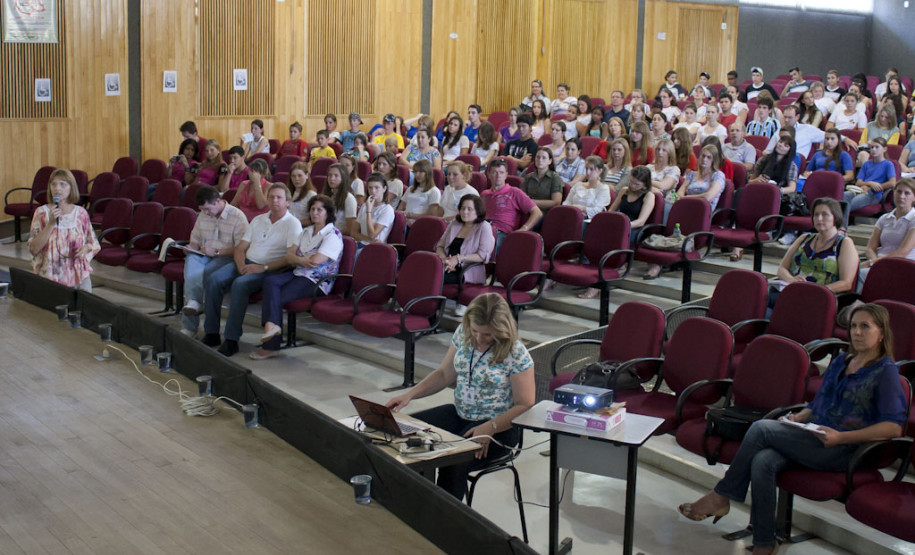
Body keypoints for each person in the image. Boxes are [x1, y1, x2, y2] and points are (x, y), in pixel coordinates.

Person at [678, 302, 906, 555]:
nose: (857, 332)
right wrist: (800, 416)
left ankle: (722, 495)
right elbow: (821, 402)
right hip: (816, 436)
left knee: (761, 429)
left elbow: (892, 428)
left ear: (881, 333)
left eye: (865, 326)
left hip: (844, 449)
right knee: (763, 460)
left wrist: (842, 437)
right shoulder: (843, 361)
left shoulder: (885, 372)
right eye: (853, 326)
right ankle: (765, 542)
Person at [386, 293, 535, 500]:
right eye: (475, 331)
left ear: (501, 329)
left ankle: (443, 514)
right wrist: (409, 395)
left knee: (454, 461)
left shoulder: (515, 352)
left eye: (487, 334)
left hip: (500, 428)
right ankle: (415, 501)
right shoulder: (463, 333)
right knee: (406, 434)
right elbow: (444, 374)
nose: (479, 339)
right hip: (460, 414)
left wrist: (490, 427)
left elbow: (525, 404)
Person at [202, 183, 302, 357]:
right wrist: (241, 265)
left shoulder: (293, 224)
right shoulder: (258, 220)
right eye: (271, 197)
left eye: (279, 197)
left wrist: (261, 267)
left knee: (240, 285)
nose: (274, 200)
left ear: (287, 202)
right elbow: (240, 248)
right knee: (214, 278)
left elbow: (289, 257)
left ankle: (231, 339)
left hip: (270, 268)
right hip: (246, 262)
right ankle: (211, 332)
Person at [252, 195, 345, 360]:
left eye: (319, 210)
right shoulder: (307, 231)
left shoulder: (333, 235)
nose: (314, 213)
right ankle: (271, 328)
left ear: (328, 213)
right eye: (312, 209)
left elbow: (316, 261)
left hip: (317, 281)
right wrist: (301, 260)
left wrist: (299, 259)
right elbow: (289, 255)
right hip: (298, 272)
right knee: (270, 281)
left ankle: (271, 344)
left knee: (276, 296)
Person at [180, 186, 249, 337]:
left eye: (207, 209)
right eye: (202, 209)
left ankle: (191, 321)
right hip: (204, 254)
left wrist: (217, 252)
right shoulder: (203, 215)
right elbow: (195, 240)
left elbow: (241, 249)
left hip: (225, 257)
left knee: (199, 274)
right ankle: (193, 305)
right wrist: (191, 247)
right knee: (191, 259)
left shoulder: (237, 216)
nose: (205, 213)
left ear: (218, 201)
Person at [767, 198, 857, 311]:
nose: (819, 218)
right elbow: (782, 268)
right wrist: (791, 280)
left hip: (819, 296)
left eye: (825, 214)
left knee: (770, 305)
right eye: (816, 215)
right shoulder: (804, 238)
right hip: (793, 290)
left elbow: (846, 283)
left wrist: (814, 290)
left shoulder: (844, 243)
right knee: (760, 298)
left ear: (836, 217)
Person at [28, 169, 100, 290]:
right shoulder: (41, 213)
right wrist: (51, 224)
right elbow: (33, 249)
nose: (58, 188)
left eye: (63, 184)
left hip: (78, 278)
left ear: (71, 187)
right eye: (54, 184)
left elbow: (93, 244)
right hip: (51, 279)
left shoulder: (81, 213)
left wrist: (86, 248)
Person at [859, 178, 915, 284]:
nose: (901, 196)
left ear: (914, 197)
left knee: (860, 275)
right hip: (879, 262)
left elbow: (902, 252)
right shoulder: (884, 218)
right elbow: (870, 248)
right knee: (850, 271)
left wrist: (874, 263)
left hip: (903, 265)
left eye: (907, 193)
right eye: (898, 192)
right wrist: (873, 262)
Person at [435, 195, 494, 294]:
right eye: (462, 208)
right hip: (446, 266)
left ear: (478, 211)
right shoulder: (455, 223)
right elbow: (440, 246)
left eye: (469, 209)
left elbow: (482, 256)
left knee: (431, 278)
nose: (465, 212)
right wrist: (445, 260)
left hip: (466, 271)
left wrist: (458, 258)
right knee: (422, 272)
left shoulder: (484, 227)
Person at [481, 159, 542, 252]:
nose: (498, 176)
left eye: (501, 172)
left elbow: (537, 212)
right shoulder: (484, 194)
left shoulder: (515, 192)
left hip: (501, 234)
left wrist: (524, 229)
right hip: (483, 230)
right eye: (494, 172)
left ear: (506, 175)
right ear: (488, 174)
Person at [843, 138, 897, 223]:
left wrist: (873, 187)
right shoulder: (866, 164)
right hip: (860, 190)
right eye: (872, 147)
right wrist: (870, 183)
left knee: (848, 204)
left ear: (884, 149)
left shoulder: (888, 164)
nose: (873, 149)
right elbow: (858, 182)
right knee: (842, 197)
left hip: (873, 194)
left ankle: (842, 227)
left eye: (877, 147)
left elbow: (892, 183)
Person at [609, 164, 656, 247]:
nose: (633, 186)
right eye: (631, 182)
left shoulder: (649, 196)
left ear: (645, 184)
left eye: (637, 184)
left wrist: (624, 225)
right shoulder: (624, 191)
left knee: (613, 235)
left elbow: (641, 221)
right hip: (619, 223)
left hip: (634, 228)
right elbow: (611, 211)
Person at [564, 155, 612, 226]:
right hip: (570, 216)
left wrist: (581, 208)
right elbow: (567, 203)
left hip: (589, 222)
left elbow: (597, 211)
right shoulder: (578, 185)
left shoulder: (603, 189)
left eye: (591, 169)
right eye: (586, 169)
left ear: (600, 171)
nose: (588, 172)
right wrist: (577, 210)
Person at [352, 173, 395, 248]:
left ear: (384, 189)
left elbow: (372, 235)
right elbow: (353, 232)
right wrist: (368, 240)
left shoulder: (387, 209)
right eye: (370, 188)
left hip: (375, 248)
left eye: (376, 187)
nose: (373, 191)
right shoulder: (365, 205)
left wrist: (368, 211)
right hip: (361, 243)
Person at [519, 147, 563, 217]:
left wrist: (532, 202)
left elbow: (556, 202)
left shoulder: (555, 178)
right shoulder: (529, 177)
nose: (540, 160)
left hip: (544, 212)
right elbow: (521, 196)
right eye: (538, 157)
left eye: (544, 158)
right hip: (526, 209)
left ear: (550, 161)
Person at [398, 159, 442, 226]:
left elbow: (431, 214)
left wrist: (411, 215)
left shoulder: (434, 191)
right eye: (415, 172)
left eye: (421, 172)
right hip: (405, 220)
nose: (417, 175)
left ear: (428, 173)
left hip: (421, 222)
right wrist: (404, 219)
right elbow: (401, 207)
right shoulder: (410, 189)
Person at [323, 163, 358, 235]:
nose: (332, 178)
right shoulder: (330, 196)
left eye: (336, 176)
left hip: (339, 236)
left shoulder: (349, 198)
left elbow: (350, 229)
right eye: (330, 175)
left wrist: (330, 234)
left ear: (343, 178)